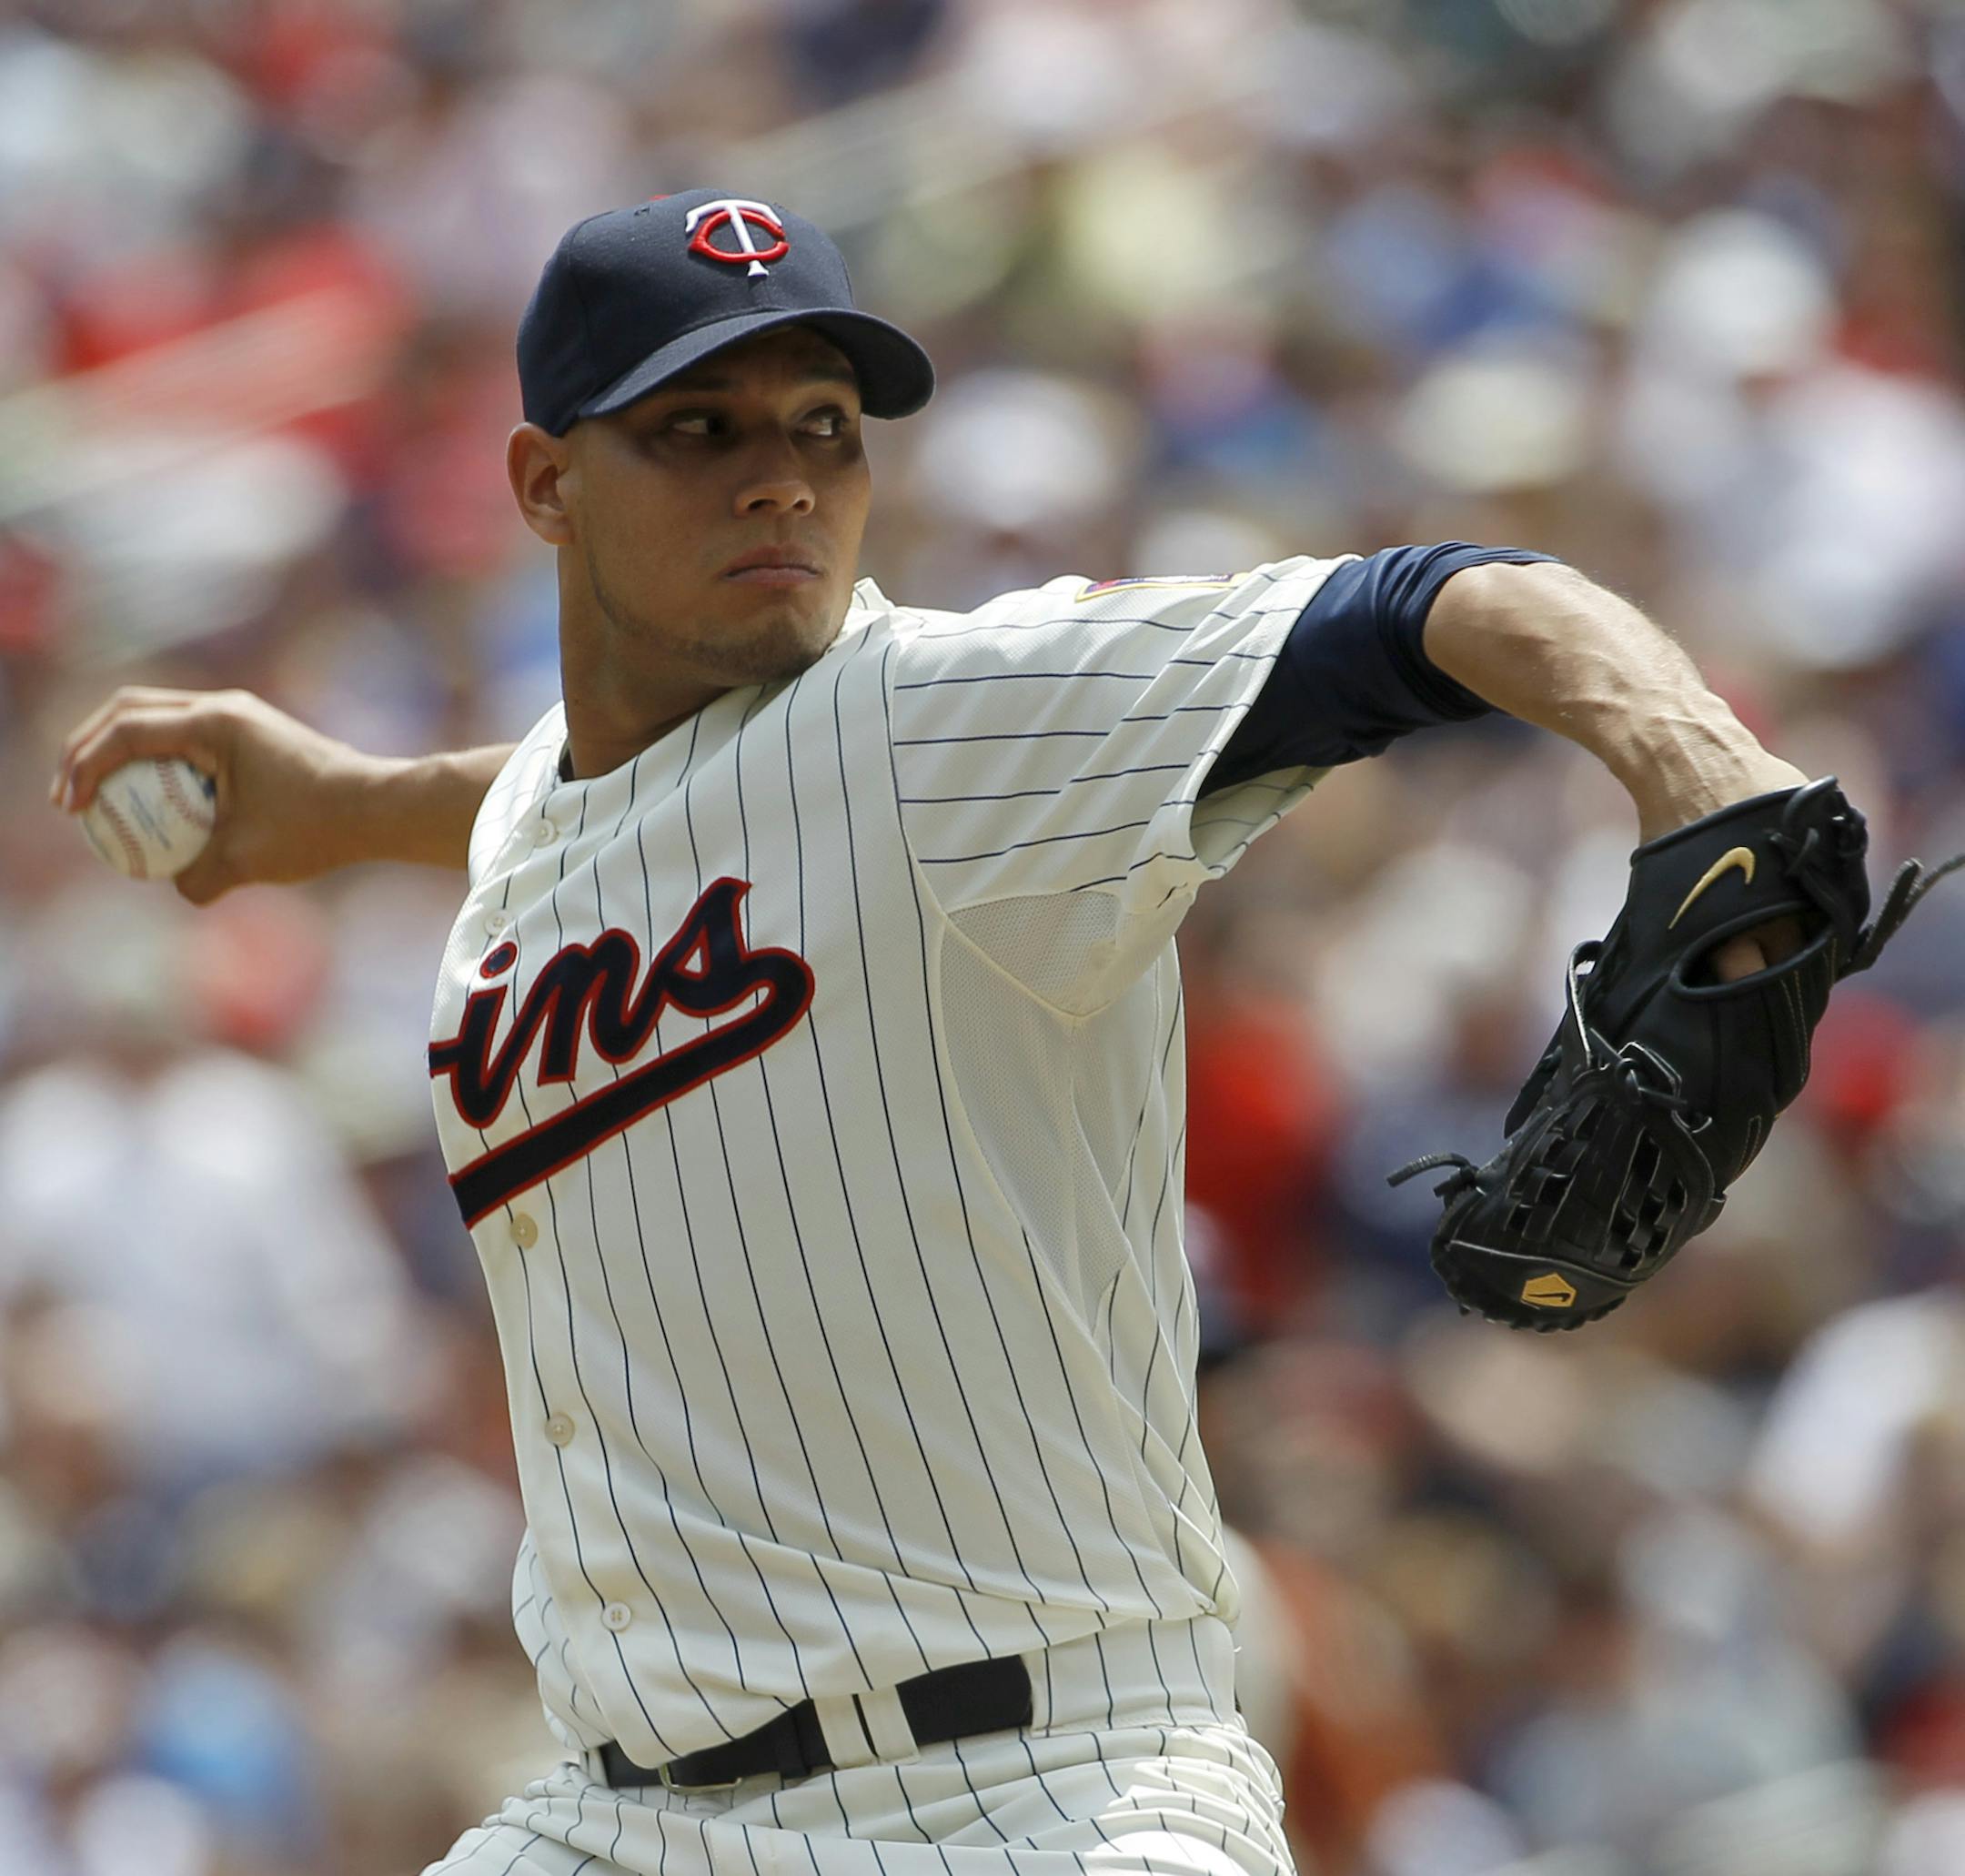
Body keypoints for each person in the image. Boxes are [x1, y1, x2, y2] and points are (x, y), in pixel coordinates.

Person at [50, 189, 1807, 1876]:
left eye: (827, 428)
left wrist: (1700, 765)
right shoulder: (554, 818)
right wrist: (346, 802)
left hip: (1040, 1785)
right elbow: (588, 804)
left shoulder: (948, 720)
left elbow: (1436, 600)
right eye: (702, 431)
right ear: (544, 483)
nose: (784, 480)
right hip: (628, 1819)